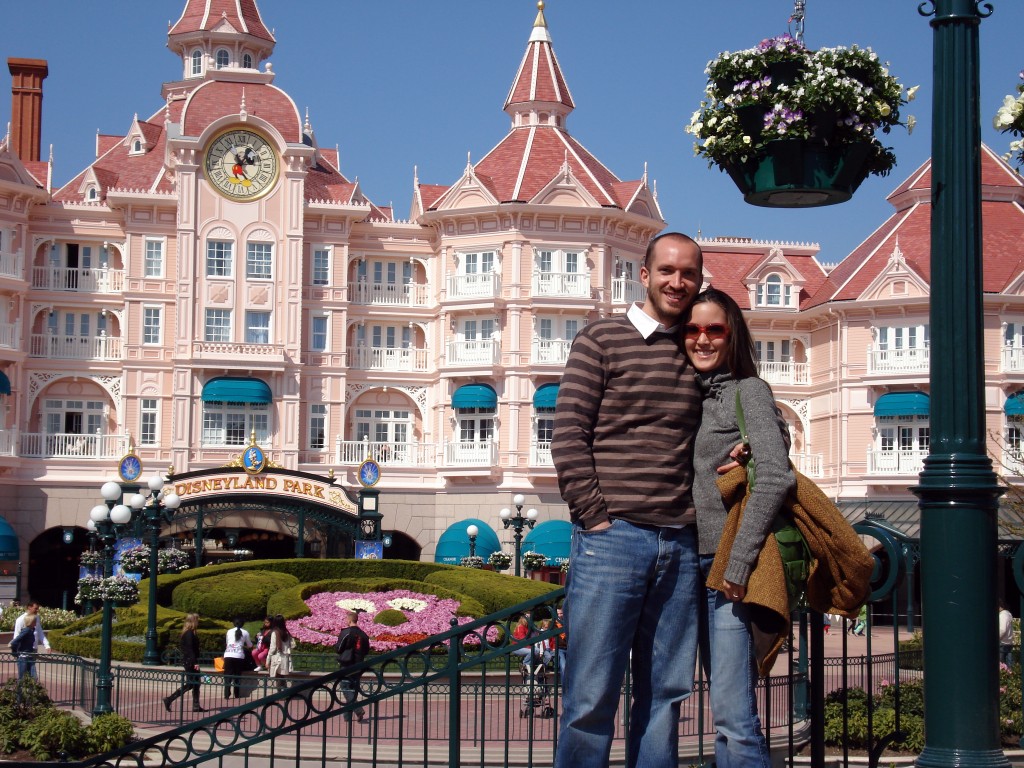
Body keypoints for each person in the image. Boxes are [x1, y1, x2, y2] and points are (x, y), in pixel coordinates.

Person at [551, 232, 705, 768]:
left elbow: (750, 406)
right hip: (613, 540)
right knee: (590, 697)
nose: (677, 282)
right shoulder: (601, 339)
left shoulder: (700, 347)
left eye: (688, 273)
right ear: (644, 275)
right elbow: (568, 433)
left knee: (666, 695)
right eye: (667, 270)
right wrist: (595, 517)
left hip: (680, 544)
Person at [685, 286, 796, 768]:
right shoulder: (683, 392)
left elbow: (774, 476)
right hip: (679, 563)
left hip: (725, 569)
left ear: (733, 336)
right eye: (692, 329)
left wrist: (738, 563)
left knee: (733, 713)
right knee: (681, 697)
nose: (702, 339)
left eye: (715, 329)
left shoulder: (747, 390)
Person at [164, 613, 205, 713]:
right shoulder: (189, 634)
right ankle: (169, 699)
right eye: (197, 620)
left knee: (196, 683)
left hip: (190, 660)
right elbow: (190, 649)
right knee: (191, 683)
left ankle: (196, 705)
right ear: (193, 621)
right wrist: (195, 662)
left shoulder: (190, 632)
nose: (198, 622)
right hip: (190, 661)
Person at [334, 608, 370, 722]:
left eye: (346, 619)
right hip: (358, 665)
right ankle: (347, 716)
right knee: (352, 690)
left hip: (347, 664)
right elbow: (366, 650)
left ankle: (358, 709)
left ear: (349, 620)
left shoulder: (346, 632)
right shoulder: (363, 635)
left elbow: (338, 648)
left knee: (345, 687)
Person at [223, 617, 252, 700]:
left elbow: (227, 642)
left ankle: (226, 694)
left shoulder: (229, 631)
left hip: (228, 654)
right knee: (237, 675)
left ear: (233, 623)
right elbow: (249, 645)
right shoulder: (245, 632)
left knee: (227, 675)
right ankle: (237, 693)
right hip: (239, 655)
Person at [267, 614, 293, 690]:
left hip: (277, 657)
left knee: (278, 677)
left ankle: (280, 693)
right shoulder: (286, 632)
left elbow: (272, 648)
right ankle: (284, 692)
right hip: (285, 657)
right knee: (282, 677)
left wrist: (268, 660)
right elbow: (290, 645)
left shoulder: (275, 632)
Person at [13, 613, 40, 680]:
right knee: (22, 678)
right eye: (35, 621)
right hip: (23, 657)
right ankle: (20, 687)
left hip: (30, 656)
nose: (36, 622)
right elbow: (15, 642)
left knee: (34, 677)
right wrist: (15, 652)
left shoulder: (32, 630)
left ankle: (30, 687)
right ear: (31, 622)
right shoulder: (26, 630)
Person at [999, 600, 1015, 666]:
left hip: (1002, 643)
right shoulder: (1008, 614)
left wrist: (995, 639)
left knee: (1000, 665)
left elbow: (1002, 629)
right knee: (1008, 666)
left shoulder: (1002, 615)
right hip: (1008, 643)